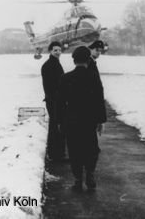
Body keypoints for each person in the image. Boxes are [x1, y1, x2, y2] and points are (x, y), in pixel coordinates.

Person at [56, 46, 107, 192]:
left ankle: (77, 179)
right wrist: (101, 121)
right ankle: (90, 174)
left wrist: (60, 121)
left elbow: (59, 102)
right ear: (87, 60)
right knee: (91, 149)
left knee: (74, 149)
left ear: (74, 60)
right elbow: (99, 99)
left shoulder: (65, 78)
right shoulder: (93, 77)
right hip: (89, 120)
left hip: (71, 120)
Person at [41, 41, 66, 161]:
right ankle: (55, 154)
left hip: (56, 100)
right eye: (55, 50)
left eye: (59, 50)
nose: (58, 52)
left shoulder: (55, 63)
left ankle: (57, 153)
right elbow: (49, 86)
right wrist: (56, 98)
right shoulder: (49, 65)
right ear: (50, 51)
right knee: (55, 126)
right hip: (53, 101)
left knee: (56, 125)